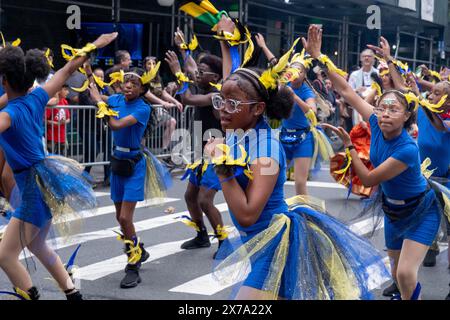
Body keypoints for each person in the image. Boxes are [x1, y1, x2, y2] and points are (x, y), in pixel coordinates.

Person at [203, 17, 389, 300]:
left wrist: (222, 165)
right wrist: (225, 41)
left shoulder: (264, 148)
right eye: (221, 101)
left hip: (273, 251)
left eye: (232, 104)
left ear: (258, 109)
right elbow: (232, 80)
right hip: (260, 246)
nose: (223, 110)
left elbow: (247, 213)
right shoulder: (240, 128)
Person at [306, 25, 448, 300]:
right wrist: (319, 56)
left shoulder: (407, 148)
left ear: (407, 116)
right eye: (382, 108)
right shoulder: (374, 119)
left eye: (393, 109)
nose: (384, 114)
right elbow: (347, 91)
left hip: (421, 210)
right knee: (396, 274)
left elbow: (370, 180)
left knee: (406, 274)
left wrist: (348, 146)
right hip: (392, 210)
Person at [0, 32, 116, 300]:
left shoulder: (9, 114)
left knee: (6, 256)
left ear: (4, 80)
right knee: (39, 246)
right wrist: (94, 45)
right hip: (46, 184)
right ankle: (72, 293)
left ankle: (31, 295)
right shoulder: (36, 97)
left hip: (32, 191)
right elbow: (66, 69)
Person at [88, 66, 172, 289]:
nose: (128, 86)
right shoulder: (116, 99)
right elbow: (96, 91)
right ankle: (139, 250)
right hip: (117, 163)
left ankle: (133, 264)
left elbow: (114, 123)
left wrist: (98, 101)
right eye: (126, 81)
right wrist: (87, 70)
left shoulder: (143, 108)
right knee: (119, 217)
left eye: (134, 84)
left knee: (125, 218)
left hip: (135, 165)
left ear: (143, 88)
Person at [165, 34, 226, 257]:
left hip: (218, 153)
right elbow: (191, 68)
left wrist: (177, 73)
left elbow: (188, 99)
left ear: (215, 76)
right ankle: (201, 235)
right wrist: (184, 51)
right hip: (201, 152)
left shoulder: (216, 94)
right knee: (190, 197)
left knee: (204, 199)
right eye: (198, 71)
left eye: (203, 71)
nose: (197, 74)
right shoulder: (203, 84)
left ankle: (223, 241)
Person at [348, 49, 378, 127]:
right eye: (364, 56)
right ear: (361, 59)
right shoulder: (354, 75)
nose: (366, 58)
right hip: (359, 105)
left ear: (373, 59)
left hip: (374, 106)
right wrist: (357, 90)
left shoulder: (378, 74)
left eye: (369, 56)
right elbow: (348, 92)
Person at [45, 84, 70, 155]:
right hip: (52, 137)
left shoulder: (65, 102)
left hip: (62, 136)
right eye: (65, 90)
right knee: (51, 158)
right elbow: (45, 120)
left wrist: (64, 121)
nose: (68, 92)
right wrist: (56, 123)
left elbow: (68, 119)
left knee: (62, 158)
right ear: (58, 90)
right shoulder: (52, 103)